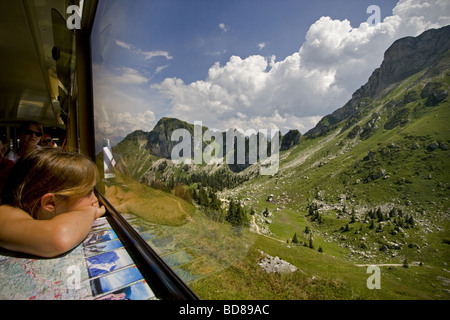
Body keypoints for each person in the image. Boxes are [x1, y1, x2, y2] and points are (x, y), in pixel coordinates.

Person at [0, 148, 106, 258]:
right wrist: (89, 211)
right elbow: (58, 238)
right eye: (88, 193)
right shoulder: (4, 213)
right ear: (51, 203)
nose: (95, 199)